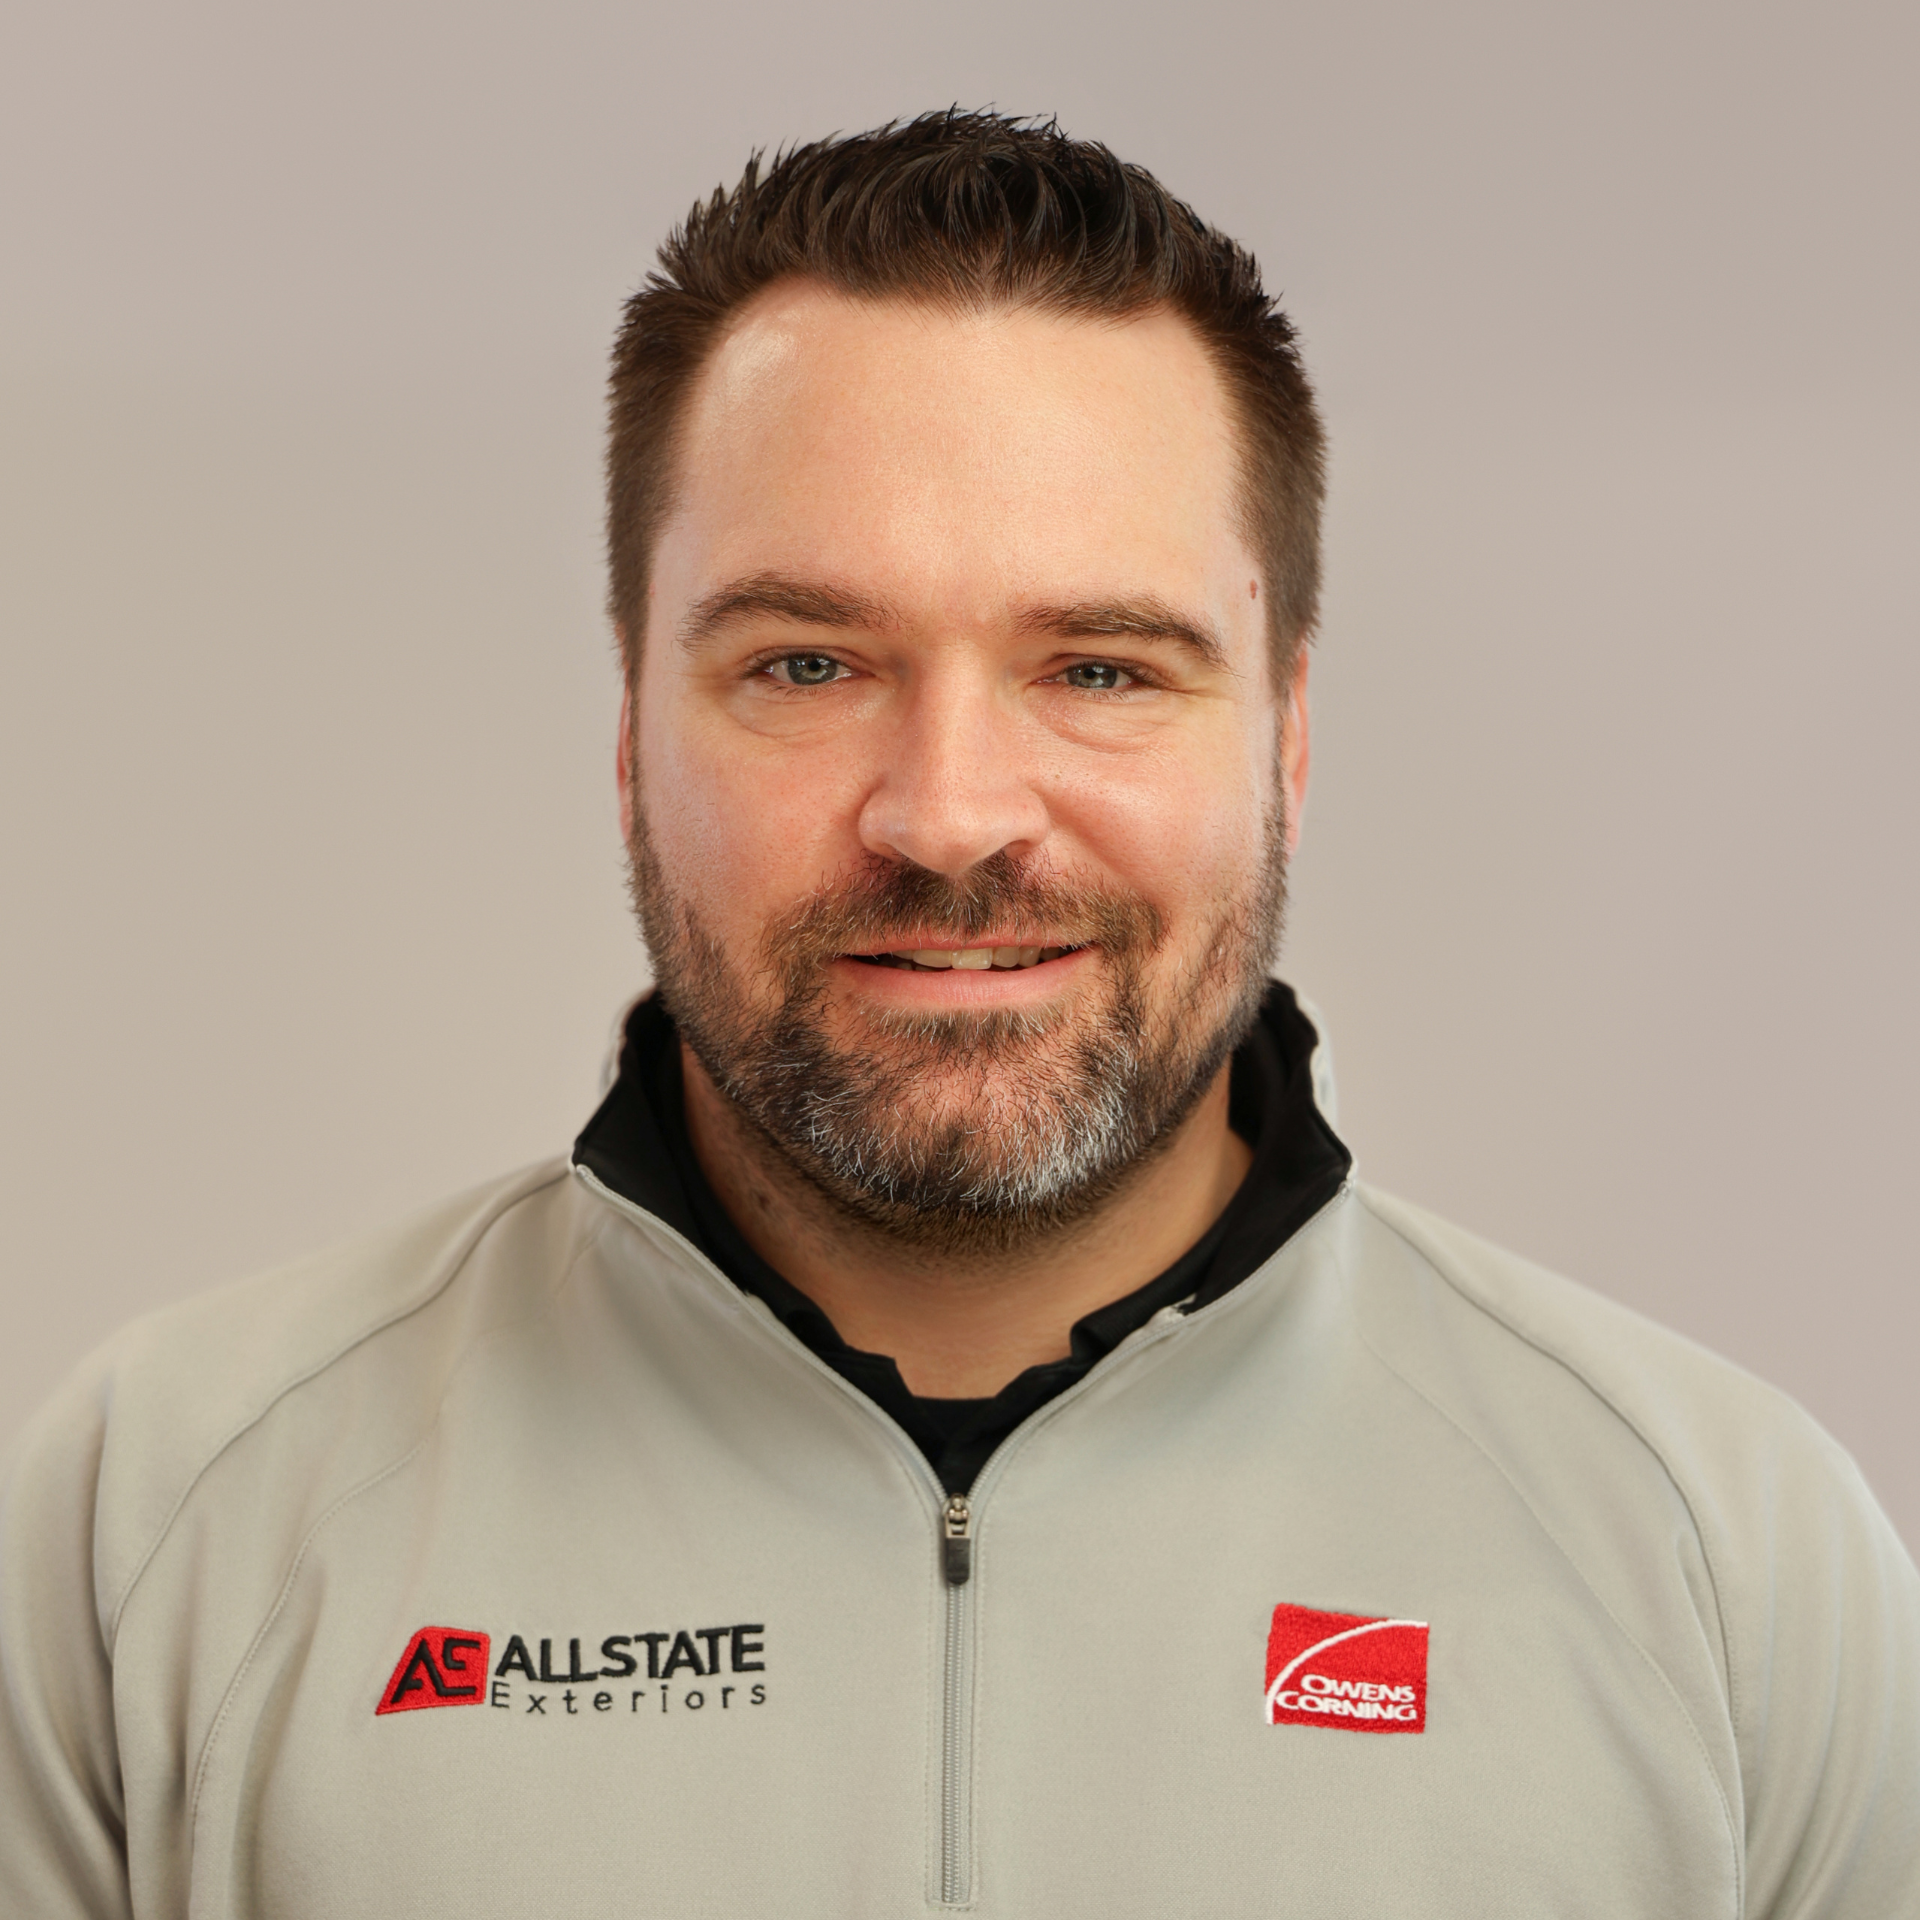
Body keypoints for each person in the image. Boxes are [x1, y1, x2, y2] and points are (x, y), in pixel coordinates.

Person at [2, 111, 1915, 1919]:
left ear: (1285, 740)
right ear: (631, 731)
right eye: (807, 663)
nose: (948, 814)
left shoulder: (1726, 1565)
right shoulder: (160, 1527)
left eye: (1100, 667)